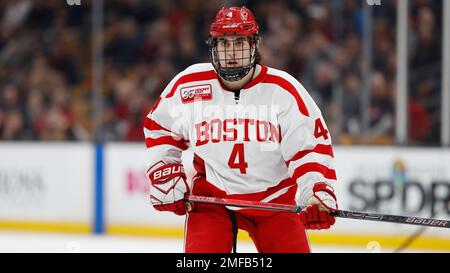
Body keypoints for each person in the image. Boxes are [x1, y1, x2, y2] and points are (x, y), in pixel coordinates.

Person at [144, 6, 338, 253]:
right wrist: (165, 173)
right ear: (214, 48)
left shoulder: (283, 91)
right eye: (224, 44)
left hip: (275, 204)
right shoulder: (189, 85)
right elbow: (160, 128)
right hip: (212, 202)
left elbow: (308, 148)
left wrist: (315, 191)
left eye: (239, 43)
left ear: (254, 46)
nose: (231, 53)